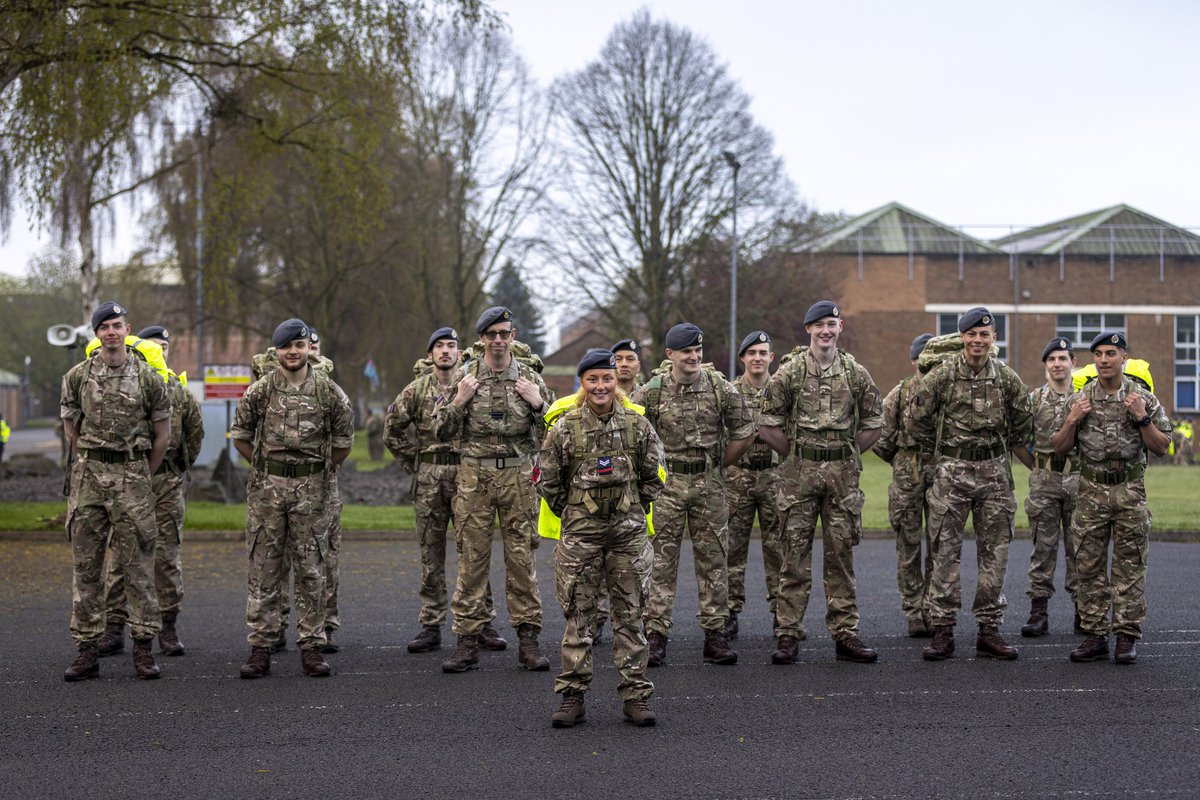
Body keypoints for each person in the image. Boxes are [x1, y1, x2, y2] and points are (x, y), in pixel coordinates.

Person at [538, 348, 665, 728]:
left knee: (631, 616)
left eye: (606, 378)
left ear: (615, 381)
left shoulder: (637, 425)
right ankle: (572, 696)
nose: (600, 386)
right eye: (592, 379)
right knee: (579, 616)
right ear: (582, 383)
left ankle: (636, 696)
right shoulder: (565, 427)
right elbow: (548, 480)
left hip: (628, 536)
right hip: (581, 538)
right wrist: (576, 513)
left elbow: (655, 474)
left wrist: (631, 508)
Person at [905, 306, 1033, 661]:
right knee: (945, 552)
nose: (978, 340)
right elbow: (915, 418)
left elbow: (1023, 420)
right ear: (962, 337)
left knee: (996, 553)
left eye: (984, 335)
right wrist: (943, 453)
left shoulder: (1006, 378)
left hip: (994, 475)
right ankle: (943, 630)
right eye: (972, 334)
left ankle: (989, 630)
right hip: (952, 475)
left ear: (994, 338)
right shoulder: (943, 375)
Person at [758, 301, 884, 664]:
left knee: (840, 556)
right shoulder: (791, 372)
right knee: (793, 556)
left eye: (832, 324)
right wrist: (797, 455)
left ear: (840, 327)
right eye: (819, 325)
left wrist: (847, 454)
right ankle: (788, 634)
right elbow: (767, 424)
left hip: (842, 479)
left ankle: (846, 634)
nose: (826, 330)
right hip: (799, 477)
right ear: (808, 329)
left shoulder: (855, 373)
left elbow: (874, 422)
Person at [433, 306, 553, 673]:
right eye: (491, 335)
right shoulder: (465, 377)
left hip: (518, 477)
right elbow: (439, 430)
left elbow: (554, 432)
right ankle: (467, 642)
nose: (498, 340)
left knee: (522, 560)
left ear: (513, 336)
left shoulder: (530, 378)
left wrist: (538, 404)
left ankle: (528, 641)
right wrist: (459, 401)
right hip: (475, 478)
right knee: (472, 560)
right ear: (482, 339)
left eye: (504, 333)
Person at [231, 318, 354, 678]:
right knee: (264, 568)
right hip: (268, 492)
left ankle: (312, 646)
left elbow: (343, 442)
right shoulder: (261, 390)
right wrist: (265, 469)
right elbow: (240, 435)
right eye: (286, 346)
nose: (293, 352)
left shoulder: (329, 391)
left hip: (312, 491)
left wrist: (319, 473)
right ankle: (261, 647)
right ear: (277, 351)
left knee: (311, 569)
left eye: (299, 345)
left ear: (307, 349)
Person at [60, 300, 171, 681]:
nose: (111, 332)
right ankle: (87, 650)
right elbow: (71, 427)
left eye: (117, 325)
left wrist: (139, 472)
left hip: (132, 477)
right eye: (104, 326)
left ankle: (143, 648)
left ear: (128, 330)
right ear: (96, 334)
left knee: (138, 565)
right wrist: (93, 458)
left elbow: (162, 435)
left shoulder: (149, 378)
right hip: (89, 479)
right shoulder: (77, 376)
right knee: (86, 567)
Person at [631, 322, 754, 667]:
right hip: (666, 487)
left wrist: (718, 464)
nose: (694, 356)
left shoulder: (718, 386)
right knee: (660, 563)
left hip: (708, 484)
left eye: (698, 350)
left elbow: (745, 430)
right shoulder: (652, 391)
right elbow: (632, 432)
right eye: (687, 351)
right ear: (670, 354)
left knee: (714, 561)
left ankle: (715, 635)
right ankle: (656, 635)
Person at [1053, 331, 1171, 664]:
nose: (1104, 360)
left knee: (1129, 566)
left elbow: (1162, 447)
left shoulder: (1142, 398)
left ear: (1124, 358)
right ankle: (1094, 636)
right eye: (1099, 354)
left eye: (1111, 353)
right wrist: (1073, 420)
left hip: (1129, 492)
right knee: (1088, 566)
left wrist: (1142, 417)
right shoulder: (1079, 399)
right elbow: (1059, 447)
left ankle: (1126, 636)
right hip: (1091, 492)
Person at [385, 327, 505, 654]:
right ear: (430, 354)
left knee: (474, 552)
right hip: (429, 479)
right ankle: (431, 623)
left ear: (460, 352)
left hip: (468, 475)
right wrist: (415, 463)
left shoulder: (474, 384)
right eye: (439, 346)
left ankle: (482, 621)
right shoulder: (417, 389)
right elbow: (392, 430)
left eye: (451, 345)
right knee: (431, 553)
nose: (446, 351)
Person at [95, 325, 203, 659]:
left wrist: (173, 470)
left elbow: (194, 436)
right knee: (120, 557)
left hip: (165, 483)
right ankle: (114, 627)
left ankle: (167, 627)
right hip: (126, 482)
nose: (158, 352)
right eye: (152, 346)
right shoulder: (122, 387)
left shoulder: (178, 392)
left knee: (165, 558)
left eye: (163, 347)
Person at [874, 332, 936, 637]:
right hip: (907, 475)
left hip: (941, 473)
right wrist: (903, 461)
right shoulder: (899, 394)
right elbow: (881, 438)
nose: (929, 362)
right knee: (908, 546)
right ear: (913, 360)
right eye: (923, 356)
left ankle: (935, 610)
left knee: (941, 545)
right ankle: (913, 611)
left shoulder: (947, 392)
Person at [723, 330, 783, 640]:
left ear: (771, 357)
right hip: (738, 476)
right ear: (743, 358)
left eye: (762, 353)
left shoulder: (783, 389)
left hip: (774, 476)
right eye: (752, 353)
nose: (757, 358)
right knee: (732, 548)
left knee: (779, 549)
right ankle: (729, 612)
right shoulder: (730, 392)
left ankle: (782, 614)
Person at [1020, 338, 1081, 637]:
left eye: (1062, 358)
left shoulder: (1084, 400)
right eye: (1052, 359)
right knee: (1042, 549)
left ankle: (1084, 610)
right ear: (1045, 364)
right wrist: (1037, 466)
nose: (1057, 364)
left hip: (1078, 482)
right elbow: (1017, 440)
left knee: (1080, 548)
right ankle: (1038, 612)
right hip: (1044, 482)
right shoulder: (1033, 400)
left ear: (1073, 363)